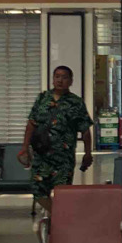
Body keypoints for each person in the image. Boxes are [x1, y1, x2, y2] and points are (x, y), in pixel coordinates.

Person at [18, 64, 94, 209]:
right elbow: (31, 124)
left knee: (63, 193)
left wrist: (88, 153)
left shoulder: (76, 103)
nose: (60, 80)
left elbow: (85, 130)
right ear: (53, 79)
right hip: (41, 156)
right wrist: (24, 147)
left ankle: (59, 218)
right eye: (57, 77)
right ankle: (56, 216)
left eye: (64, 77)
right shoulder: (42, 98)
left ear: (71, 81)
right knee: (38, 191)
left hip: (63, 158)